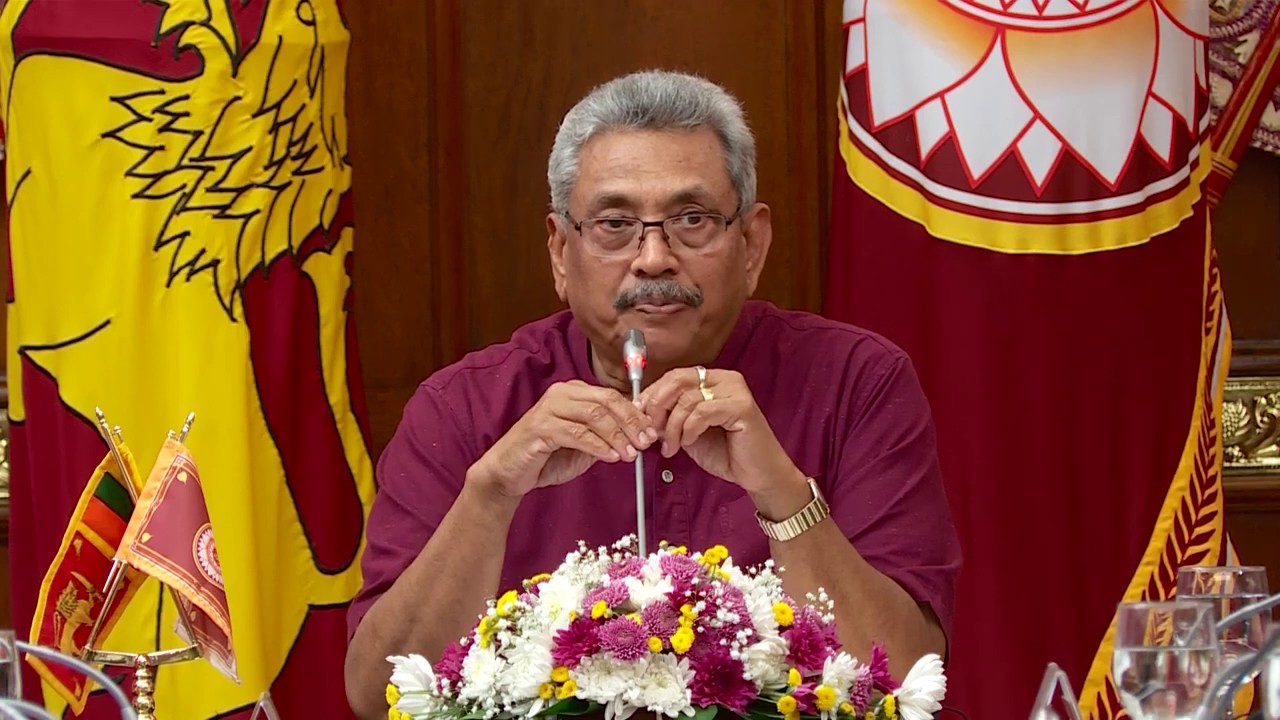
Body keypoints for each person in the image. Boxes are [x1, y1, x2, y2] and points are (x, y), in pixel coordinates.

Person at [343, 69, 962, 719]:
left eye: (692, 220)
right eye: (615, 224)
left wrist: (782, 494)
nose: (654, 258)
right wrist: (491, 496)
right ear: (560, 251)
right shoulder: (465, 407)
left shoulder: (856, 383)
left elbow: (907, 680)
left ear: (751, 245)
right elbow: (378, 697)